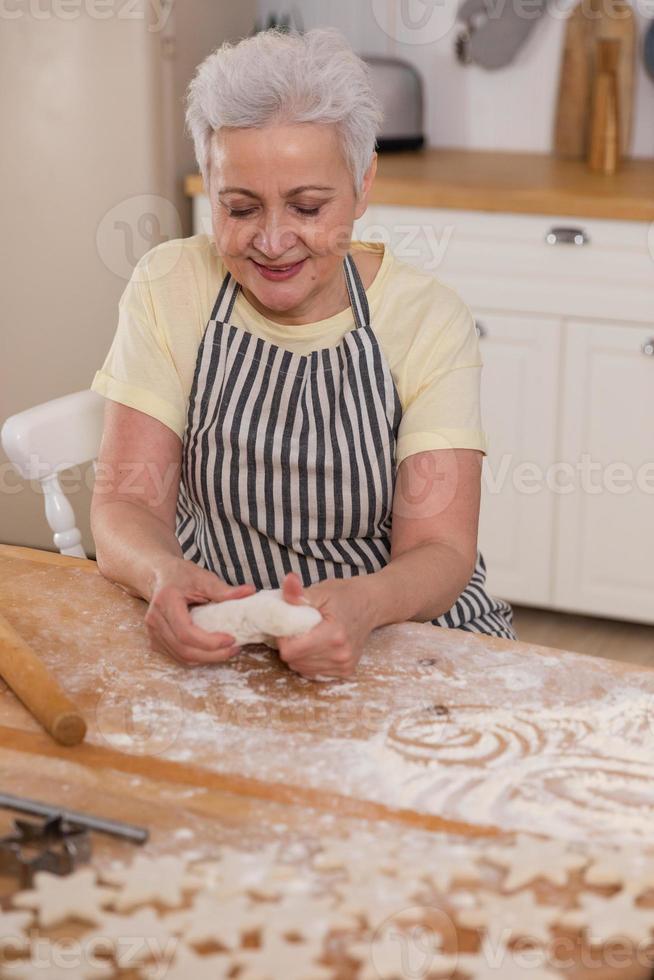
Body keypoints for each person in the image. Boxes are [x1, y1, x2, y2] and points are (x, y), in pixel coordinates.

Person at [90, 27, 516, 681]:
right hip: (226, 642)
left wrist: (367, 604)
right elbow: (127, 506)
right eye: (239, 207)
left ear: (363, 184)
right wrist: (162, 574)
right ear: (208, 184)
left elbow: (440, 548)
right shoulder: (168, 285)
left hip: (399, 636)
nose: (273, 240)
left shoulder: (426, 318)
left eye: (308, 206)